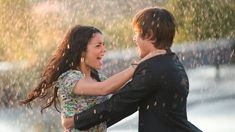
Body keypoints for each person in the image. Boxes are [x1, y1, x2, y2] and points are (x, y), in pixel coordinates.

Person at [62, 7, 202, 132]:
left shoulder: (153, 68)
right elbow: (126, 105)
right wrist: (85, 125)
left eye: (137, 33)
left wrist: (75, 121)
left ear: (150, 35)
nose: (135, 39)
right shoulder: (172, 62)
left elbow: (118, 103)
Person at [20, 25, 164, 131]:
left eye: (104, 45)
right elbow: (105, 89)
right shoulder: (69, 78)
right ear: (82, 51)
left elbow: (125, 94)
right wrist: (138, 65)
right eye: (98, 45)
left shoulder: (98, 77)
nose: (104, 50)